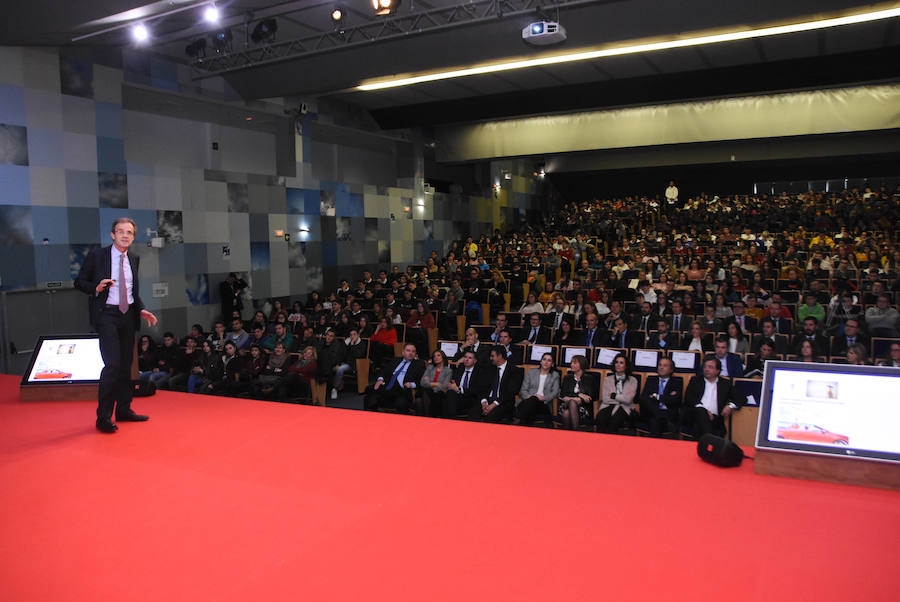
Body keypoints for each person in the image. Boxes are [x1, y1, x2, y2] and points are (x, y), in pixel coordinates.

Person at [74, 217, 158, 433]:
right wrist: (97, 287)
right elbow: (79, 282)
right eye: (120, 231)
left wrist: (140, 308)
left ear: (133, 236)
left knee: (126, 365)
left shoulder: (134, 258)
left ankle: (123, 410)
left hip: (128, 316)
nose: (124, 235)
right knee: (112, 365)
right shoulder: (97, 256)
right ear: (112, 234)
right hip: (107, 315)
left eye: (129, 232)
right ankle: (103, 417)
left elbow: (131, 292)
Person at [684, 357, 745, 437]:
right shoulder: (695, 380)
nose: (706, 369)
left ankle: (703, 442)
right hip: (695, 414)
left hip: (715, 419)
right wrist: (704, 411)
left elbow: (741, 397)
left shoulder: (725, 384)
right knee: (701, 414)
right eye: (705, 366)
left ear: (718, 371)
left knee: (700, 425)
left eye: (710, 367)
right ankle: (709, 440)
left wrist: (730, 406)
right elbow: (689, 398)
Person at [365, 343, 426, 413]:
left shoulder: (419, 364)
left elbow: (422, 380)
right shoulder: (395, 360)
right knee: (369, 392)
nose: (411, 353)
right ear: (403, 352)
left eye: (413, 351)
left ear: (415, 354)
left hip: (402, 390)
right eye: (408, 350)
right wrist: (380, 379)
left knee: (401, 403)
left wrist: (412, 384)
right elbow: (384, 371)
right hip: (387, 387)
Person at [470, 345, 523, 423]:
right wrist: (484, 402)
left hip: (503, 402)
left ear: (500, 356)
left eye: (492, 356)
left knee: (491, 416)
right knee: (473, 413)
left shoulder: (514, 371)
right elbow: (482, 387)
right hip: (488, 400)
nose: (490, 358)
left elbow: (510, 392)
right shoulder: (489, 369)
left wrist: (493, 405)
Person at [638, 357, 684, 437]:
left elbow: (675, 400)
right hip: (651, 412)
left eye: (665, 366)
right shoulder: (651, 380)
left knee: (655, 421)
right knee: (655, 420)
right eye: (660, 365)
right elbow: (644, 399)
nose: (661, 367)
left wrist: (657, 396)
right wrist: (667, 397)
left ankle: (654, 447)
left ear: (671, 370)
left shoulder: (677, 382)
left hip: (669, 413)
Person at [596, 353, 639, 433]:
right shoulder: (607, 379)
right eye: (616, 362)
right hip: (608, 405)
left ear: (626, 366)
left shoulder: (633, 380)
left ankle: (611, 443)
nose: (618, 365)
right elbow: (605, 399)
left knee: (615, 419)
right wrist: (621, 398)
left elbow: (628, 400)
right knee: (601, 418)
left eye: (621, 363)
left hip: (625, 407)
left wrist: (614, 396)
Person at [443, 350, 492, 419]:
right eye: (465, 357)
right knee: (448, 395)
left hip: (471, 398)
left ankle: (451, 420)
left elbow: (477, 390)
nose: (466, 359)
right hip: (457, 397)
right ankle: (449, 420)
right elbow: (453, 383)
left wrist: (459, 389)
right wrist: (451, 385)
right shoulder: (459, 369)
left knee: (450, 398)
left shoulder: (479, 372)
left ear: (475, 361)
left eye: (470, 358)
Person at [517, 352, 560, 426]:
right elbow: (523, 390)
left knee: (531, 403)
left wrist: (544, 398)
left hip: (543, 404)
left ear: (552, 364)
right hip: (527, 400)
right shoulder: (531, 372)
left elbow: (556, 391)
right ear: (541, 361)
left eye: (549, 360)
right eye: (544, 359)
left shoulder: (555, 375)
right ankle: (527, 426)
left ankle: (523, 426)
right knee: (532, 401)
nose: (546, 362)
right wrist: (528, 396)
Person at [557, 355, 596, 430]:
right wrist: (579, 395)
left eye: (574, 363)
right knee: (571, 403)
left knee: (566, 413)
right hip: (565, 405)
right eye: (571, 362)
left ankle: (569, 436)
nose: (572, 365)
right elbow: (563, 394)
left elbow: (590, 396)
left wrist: (574, 398)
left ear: (582, 364)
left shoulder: (589, 378)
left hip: (583, 409)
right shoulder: (567, 378)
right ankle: (576, 433)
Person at [417, 350, 452, 417]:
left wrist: (430, 383)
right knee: (423, 396)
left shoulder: (448, 371)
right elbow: (422, 382)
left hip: (439, 393)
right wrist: (436, 384)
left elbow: (444, 386)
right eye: (434, 356)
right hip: (428, 392)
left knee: (427, 394)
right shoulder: (430, 368)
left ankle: (427, 417)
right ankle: (427, 417)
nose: (436, 357)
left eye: (438, 355)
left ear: (443, 357)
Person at [317, 329, 349, 400]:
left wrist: (336, 363)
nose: (328, 337)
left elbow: (337, 358)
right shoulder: (321, 342)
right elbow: (317, 354)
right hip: (322, 364)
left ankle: (334, 388)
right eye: (327, 335)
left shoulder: (337, 345)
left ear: (334, 338)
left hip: (332, 364)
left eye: (331, 336)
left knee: (338, 369)